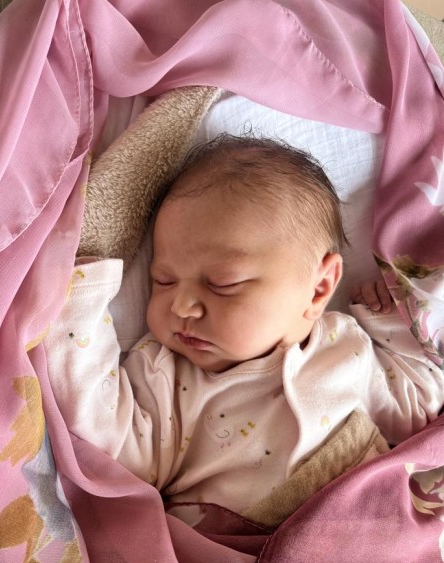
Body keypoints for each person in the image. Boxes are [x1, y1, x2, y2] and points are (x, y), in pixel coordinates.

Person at [44, 134, 444, 516]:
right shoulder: (164, 377)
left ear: (320, 288)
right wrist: (76, 302)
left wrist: (394, 322)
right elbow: (108, 442)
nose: (181, 305)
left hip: (370, 528)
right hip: (244, 551)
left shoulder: (346, 347)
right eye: (163, 281)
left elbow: (418, 407)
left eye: (222, 284)